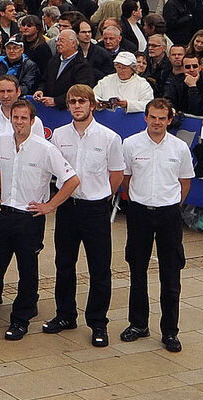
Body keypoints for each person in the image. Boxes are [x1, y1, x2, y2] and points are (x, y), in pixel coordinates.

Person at [0, 100, 80, 340]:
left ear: (32, 121)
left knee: (27, 270)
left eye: (23, 118)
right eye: (15, 118)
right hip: (4, 213)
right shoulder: (1, 144)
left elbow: (72, 180)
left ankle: (21, 318)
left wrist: (50, 205)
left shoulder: (45, 149)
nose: (19, 122)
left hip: (30, 218)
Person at [47, 84, 124, 347]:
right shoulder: (58, 135)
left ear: (92, 105)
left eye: (82, 101)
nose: (77, 106)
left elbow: (116, 175)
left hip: (95, 208)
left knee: (99, 268)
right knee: (64, 264)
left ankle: (98, 322)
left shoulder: (109, 137)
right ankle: (65, 315)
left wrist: (102, 196)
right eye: (72, 102)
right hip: (68, 208)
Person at [120, 99, 195, 352]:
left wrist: (173, 205)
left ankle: (170, 331)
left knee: (171, 274)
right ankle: (138, 324)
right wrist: (137, 203)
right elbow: (126, 179)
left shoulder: (179, 148)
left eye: (162, 118)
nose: (157, 122)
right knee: (137, 270)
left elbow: (185, 182)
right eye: (153, 117)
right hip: (139, 212)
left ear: (169, 120)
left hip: (169, 215)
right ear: (145, 117)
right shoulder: (130, 144)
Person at [35, 29, 95, 108]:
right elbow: (44, 79)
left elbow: (80, 91)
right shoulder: (54, 60)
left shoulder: (83, 65)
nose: (58, 43)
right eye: (58, 40)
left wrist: (57, 101)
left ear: (73, 43)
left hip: (69, 110)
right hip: (48, 107)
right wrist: (40, 90)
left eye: (62, 41)